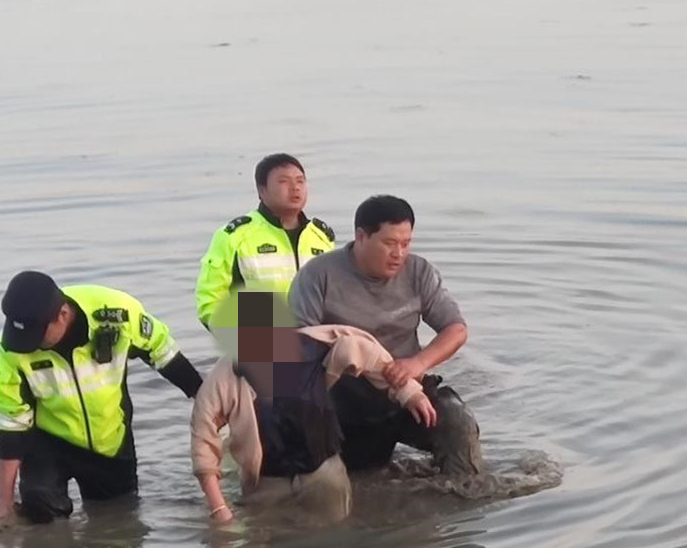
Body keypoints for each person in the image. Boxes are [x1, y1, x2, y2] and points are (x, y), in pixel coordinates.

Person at [189, 296, 438, 522]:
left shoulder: (314, 347)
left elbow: (370, 356)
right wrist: (219, 508)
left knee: (333, 539)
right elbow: (203, 438)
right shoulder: (224, 378)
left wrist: (409, 393)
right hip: (266, 482)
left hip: (324, 471)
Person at [287, 193, 482, 480]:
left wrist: (417, 363)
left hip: (409, 390)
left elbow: (456, 329)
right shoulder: (318, 275)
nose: (399, 254)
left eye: (406, 243)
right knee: (351, 478)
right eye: (389, 243)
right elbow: (298, 349)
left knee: (458, 423)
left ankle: (461, 495)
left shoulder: (419, 272)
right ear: (361, 236)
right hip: (346, 400)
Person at [0, 271, 202, 527]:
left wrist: (205, 397)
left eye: (36, 334)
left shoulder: (117, 314)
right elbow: (10, 427)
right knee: (42, 515)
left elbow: (164, 355)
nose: (28, 345)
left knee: (118, 522)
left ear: (63, 315)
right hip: (48, 440)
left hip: (109, 441)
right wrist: (4, 501)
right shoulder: (12, 348)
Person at [195, 152, 335, 349]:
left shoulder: (321, 237)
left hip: (317, 346)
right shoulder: (235, 236)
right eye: (283, 182)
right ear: (262, 190)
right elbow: (210, 299)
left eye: (300, 181)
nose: (295, 188)